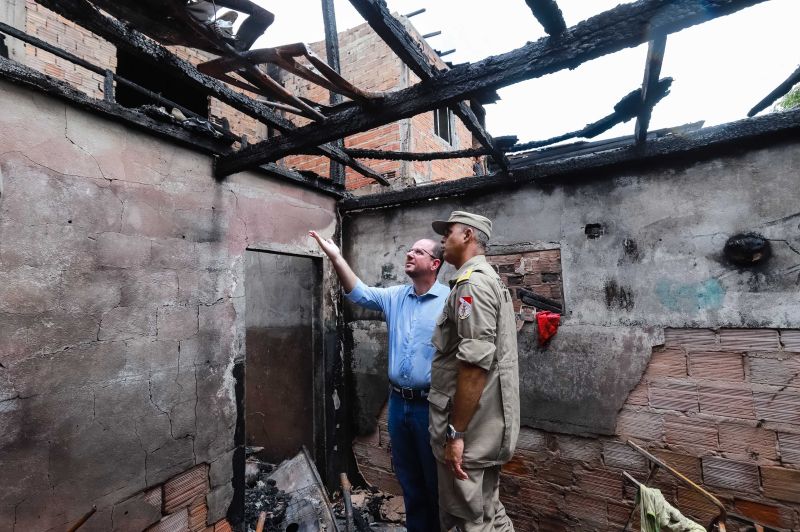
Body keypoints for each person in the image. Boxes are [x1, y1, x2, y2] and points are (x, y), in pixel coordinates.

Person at [309, 230, 449, 532]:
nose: (409, 254)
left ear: (435, 264)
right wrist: (335, 256)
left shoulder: (449, 302)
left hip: (432, 406)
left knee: (435, 483)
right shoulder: (396, 296)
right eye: (409, 250)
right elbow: (358, 292)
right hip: (398, 405)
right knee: (409, 481)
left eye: (419, 252)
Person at [428, 211, 520, 532]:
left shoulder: (472, 286)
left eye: (448, 231)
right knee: (489, 510)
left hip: (470, 432)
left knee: (470, 519)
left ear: (467, 236)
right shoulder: (483, 280)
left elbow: (473, 365)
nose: (442, 239)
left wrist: (456, 434)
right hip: (481, 428)